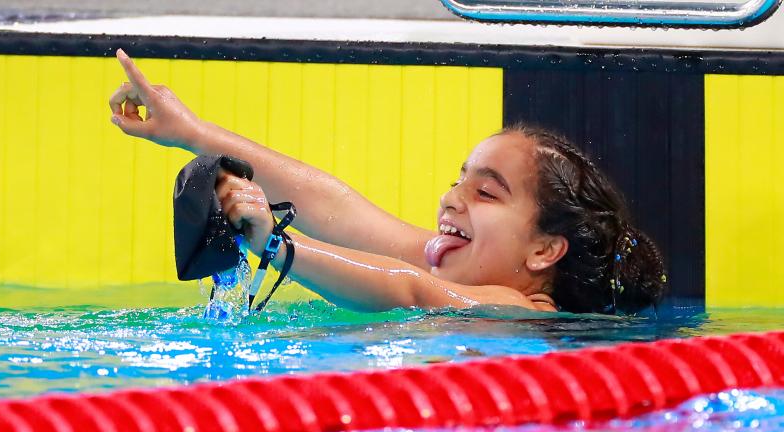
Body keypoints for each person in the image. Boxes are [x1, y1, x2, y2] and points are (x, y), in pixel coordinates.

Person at [109, 49, 666, 314]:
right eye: (458, 180)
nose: (451, 199)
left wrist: (277, 246)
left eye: (486, 192)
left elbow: (412, 290)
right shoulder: (448, 261)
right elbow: (335, 207)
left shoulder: (529, 311)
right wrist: (191, 132)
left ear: (545, 249)